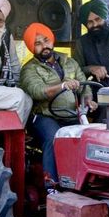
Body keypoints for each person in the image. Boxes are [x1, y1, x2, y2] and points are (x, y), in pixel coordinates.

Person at [20, 23, 97, 185]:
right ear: (31, 48)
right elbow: (38, 91)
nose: (44, 46)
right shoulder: (29, 69)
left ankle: (86, 182)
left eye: (46, 40)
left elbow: (84, 85)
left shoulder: (69, 62)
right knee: (53, 138)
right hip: (44, 117)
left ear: (52, 40)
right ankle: (51, 184)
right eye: (37, 43)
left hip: (71, 114)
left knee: (91, 138)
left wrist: (88, 100)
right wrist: (62, 86)